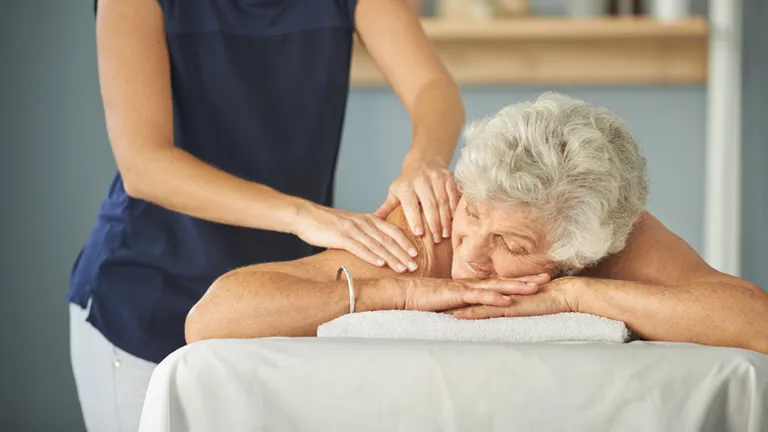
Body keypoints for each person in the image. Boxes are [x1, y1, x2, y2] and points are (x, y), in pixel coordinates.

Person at [68, 0, 466, 430]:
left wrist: (424, 162)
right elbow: (143, 166)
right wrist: (302, 215)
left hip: (277, 304)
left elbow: (433, 87)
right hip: (147, 298)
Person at [185, 93, 768, 357]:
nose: (472, 254)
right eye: (473, 213)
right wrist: (398, 291)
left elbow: (755, 322)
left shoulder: (615, 234)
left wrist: (578, 295)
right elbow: (212, 318)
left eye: (512, 244)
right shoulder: (432, 233)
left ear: (577, 250)